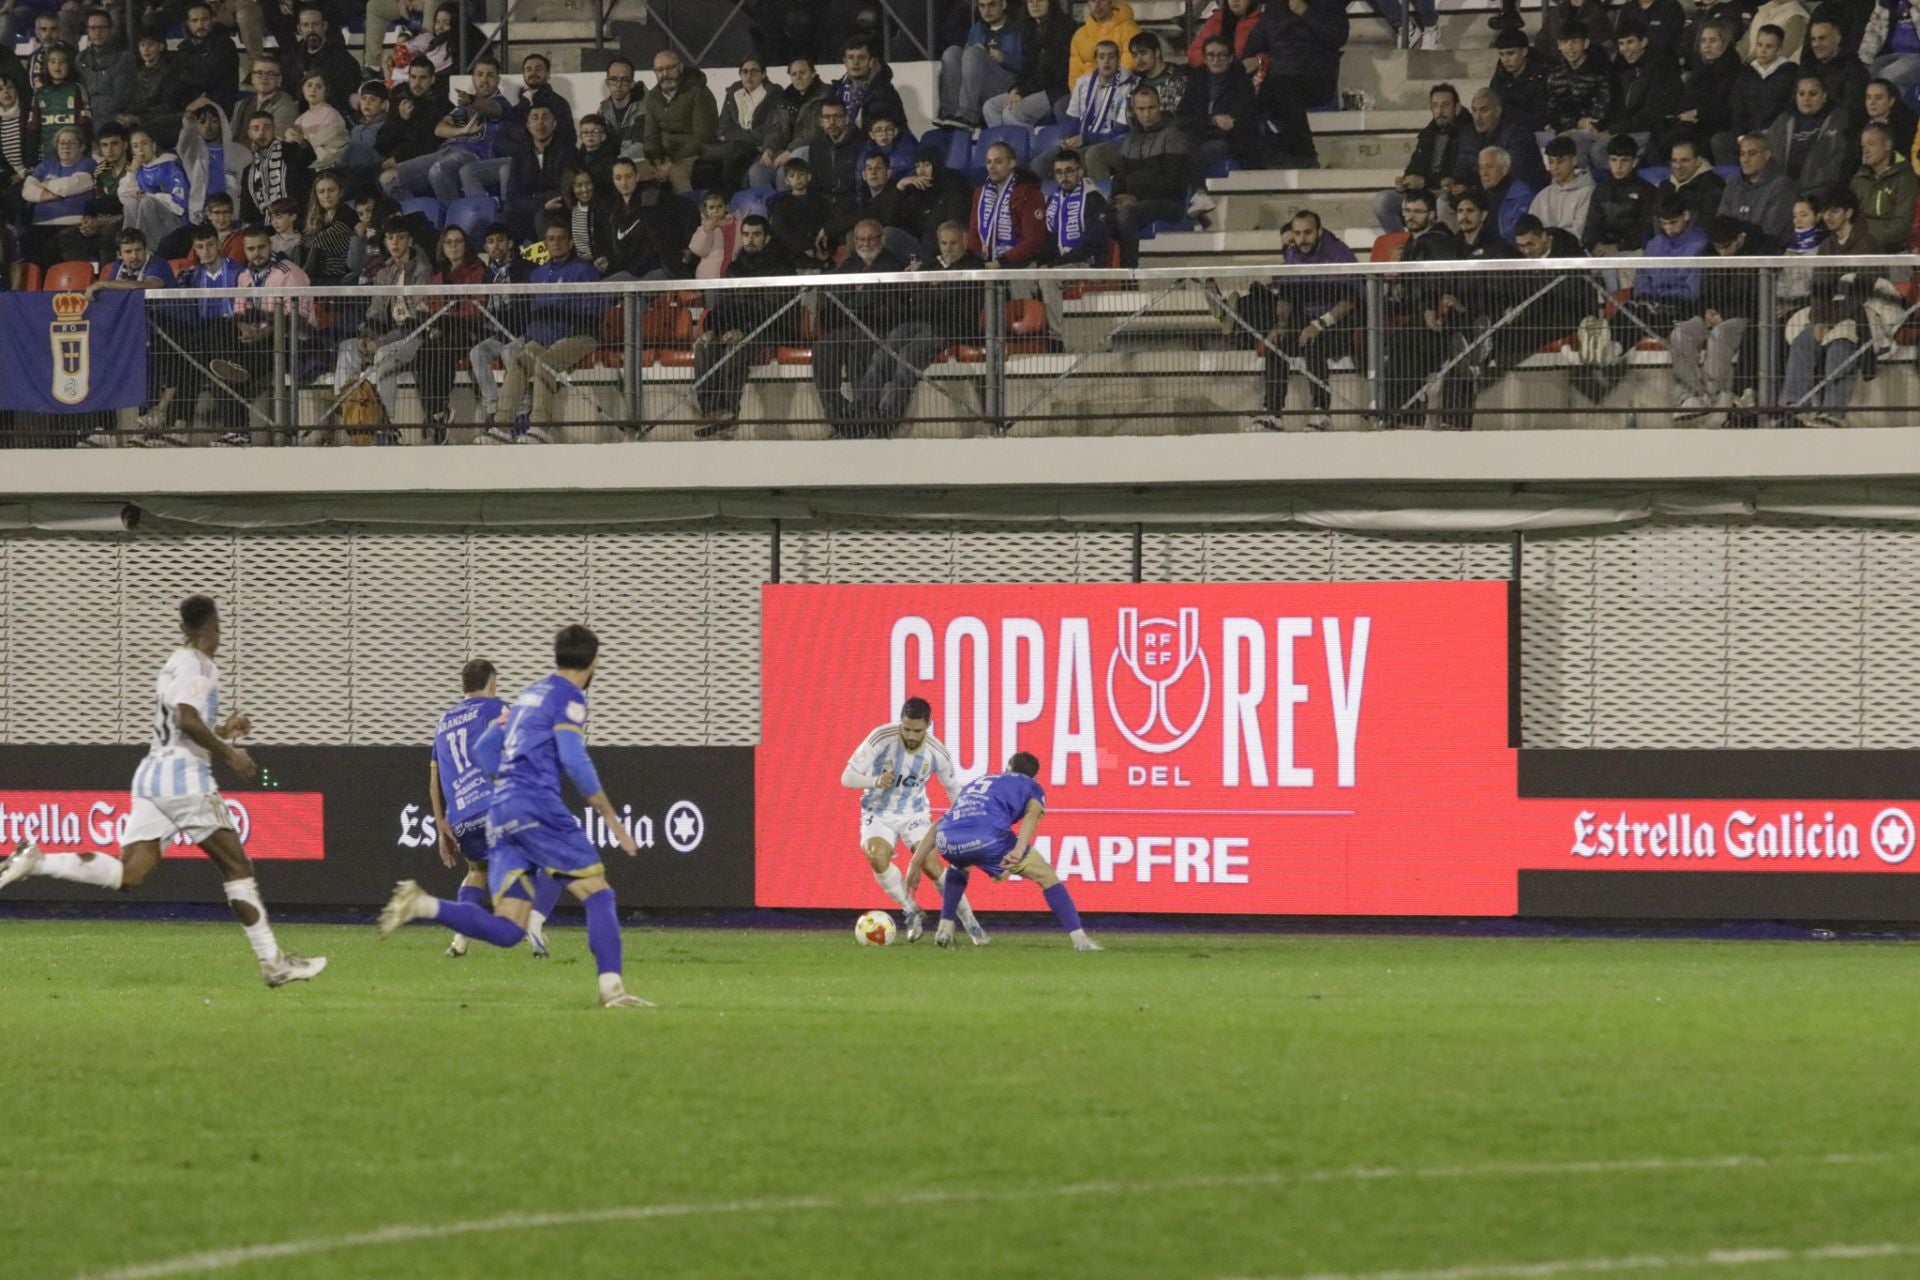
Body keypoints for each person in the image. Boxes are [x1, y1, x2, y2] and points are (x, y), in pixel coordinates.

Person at [0, 596, 326, 988]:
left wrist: (223, 730)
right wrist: (231, 754)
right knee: (237, 867)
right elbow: (186, 719)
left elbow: (181, 722)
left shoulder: (175, 661)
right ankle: (273, 963)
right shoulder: (199, 664)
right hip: (183, 779)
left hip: (152, 774)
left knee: (130, 874)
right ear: (214, 627)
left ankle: (39, 861)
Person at [380, 624, 653, 1010]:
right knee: (598, 893)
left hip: (500, 814)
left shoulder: (528, 697)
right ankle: (613, 992)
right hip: (535, 805)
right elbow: (574, 758)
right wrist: (610, 817)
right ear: (593, 662)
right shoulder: (568, 697)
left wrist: (506, 783)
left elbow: (485, 747)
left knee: (509, 929)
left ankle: (422, 905)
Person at [426, 659, 563, 958]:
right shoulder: (496, 708)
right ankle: (533, 922)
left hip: (461, 816)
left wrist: (440, 823)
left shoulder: (444, 721)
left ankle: (459, 941)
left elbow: (434, 777)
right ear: (493, 683)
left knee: (477, 870)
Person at [906, 751, 1100, 951]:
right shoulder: (1031, 785)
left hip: (947, 840)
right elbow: (1032, 815)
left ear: (1007, 768)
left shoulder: (978, 782)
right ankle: (1081, 941)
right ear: (1034, 776)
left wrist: (914, 863)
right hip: (987, 839)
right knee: (1047, 876)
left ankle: (945, 927)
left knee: (959, 863)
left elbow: (940, 823)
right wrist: (1019, 849)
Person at [839, 697, 985, 942]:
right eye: (906, 729)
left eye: (917, 731)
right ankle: (911, 910)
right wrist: (874, 781)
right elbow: (847, 777)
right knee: (876, 855)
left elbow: (952, 789)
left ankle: (971, 923)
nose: (911, 736)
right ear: (900, 723)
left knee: (931, 864)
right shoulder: (881, 737)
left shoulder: (937, 752)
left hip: (914, 814)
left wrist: (967, 820)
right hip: (877, 813)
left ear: (928, 725)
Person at [853, 220, 987, 433]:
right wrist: (934, 294)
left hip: (954, 327)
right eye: (944, 243)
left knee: (908, 356)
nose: (948, 249)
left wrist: (931, 294)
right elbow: (916, 298)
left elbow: (944, 296)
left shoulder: (975, 266)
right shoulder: (931, 265)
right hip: (922, 321)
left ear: (965, 241)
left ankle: (888, 416)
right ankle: (861, 412)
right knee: (884, 352)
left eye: (953, 243)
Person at [1240, 207, 1357, 432]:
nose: (1302, 239)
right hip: (1304, 320)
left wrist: (1319, 324)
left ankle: (1321, 413)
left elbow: (1349, 301)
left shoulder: (1339, 253)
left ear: (1319, 231)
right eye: (1297, 233)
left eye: (1308, 232)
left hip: (1338, 323)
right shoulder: (1292, 254)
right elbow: (1286, 297)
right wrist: (1281, 325)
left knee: (1313, 342)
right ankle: (1273, 414)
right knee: (1276, 344)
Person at [494, 223, 600, 444]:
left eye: (561, 238)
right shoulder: (538, 274)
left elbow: (593, 311)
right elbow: (534, 311)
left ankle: (540, 428)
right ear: (545, 243)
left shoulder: (585, 271)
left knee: (545, 363)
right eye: (551, 239)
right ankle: (501, 427)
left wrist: (562, 315)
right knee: (518, 362)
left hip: (579, 336)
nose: (556, 243)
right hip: (543, 337)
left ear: (570, 242)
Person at [1782, 187, 1877, 426]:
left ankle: (1834, 412)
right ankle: (1794, 406)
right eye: (1826, 212)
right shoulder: (1827, 245)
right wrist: (1818, 320)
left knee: (1840, 343)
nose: (1828, 217)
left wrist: (1831, 321)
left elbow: (1862, 291)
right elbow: (1819, 288)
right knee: (1803, 341)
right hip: (1830, 314)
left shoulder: (1866, 243)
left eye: (1835, 211)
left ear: (1849, 213)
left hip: (1860, 314)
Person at [690, 213, 792, 427]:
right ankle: (711, 412)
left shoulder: (782, 267)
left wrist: (744, 330)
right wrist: (712, 329)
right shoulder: (735, 268)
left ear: (767, 237)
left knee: (735, 349)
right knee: (705, 348)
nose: (750, 240)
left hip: (771, 330)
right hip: (738, 328)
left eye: (756, 235)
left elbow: (772, 310)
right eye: (745, 234)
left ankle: (729, 413)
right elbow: (723, 305)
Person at [333, 214, 432, 424]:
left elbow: (418, 319)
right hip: (386, 337)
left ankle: (386, 424)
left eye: (400, 237)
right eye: (390, 238)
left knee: (383, 354)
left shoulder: (422, 270)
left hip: (415, 337)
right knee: (348, 347)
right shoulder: (384, 273)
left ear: (410, 241)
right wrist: (367, 336)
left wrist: (381, 341)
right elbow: (375, 312)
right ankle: (346, 407)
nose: (395, 243)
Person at [814, 218, 905, 435]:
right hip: (845, 328)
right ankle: (837, 414)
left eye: (871, 238)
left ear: (882, 239)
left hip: (879, 329)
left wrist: (853, 300)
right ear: (854, 241)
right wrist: (861, 300)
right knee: (822, 348)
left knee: (859, 350)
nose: (866, 244)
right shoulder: (848, 265)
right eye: (861, 239)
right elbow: (832, 304)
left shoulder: (892, 265)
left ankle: (865, 418)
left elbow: (887, 307)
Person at [1670, 214, 1762, 425]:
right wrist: (1706, 312)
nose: (1722, 252)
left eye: (1727, 246)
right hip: (1713, 315)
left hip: (1742, 318)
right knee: (1681, 333)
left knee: (1720, 334)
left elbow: (1755, 298)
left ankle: (1710, 396)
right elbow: (1702, 293)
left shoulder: (1756, 255)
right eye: (1718, 247)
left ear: (1740, 238)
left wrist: (1725, 316)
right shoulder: (1708, 254)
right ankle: (1689, 396)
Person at [1380, 187, 1461, 428]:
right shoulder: (1410, 243)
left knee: (1405, 349)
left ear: (1432, 215)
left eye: (1418, 211)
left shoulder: (1439, 242)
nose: (1410, 216)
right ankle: (1398, 412)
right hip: (1417, 313)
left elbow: (1440, 281)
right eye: (1407, 211)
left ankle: (1403, 415)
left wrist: (1427, 306)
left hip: (1440, 319)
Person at [1245, 0, 1347, 166]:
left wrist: (1306, 12)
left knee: (1282, 89)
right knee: (1245, 93)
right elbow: (1254, 43)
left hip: (1316, 76)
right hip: (1278, 76)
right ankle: (1265, 157)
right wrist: (1254, 60)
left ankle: (1306, 154)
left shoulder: (1329, 4)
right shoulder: (1275, 7)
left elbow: (1338, 36)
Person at [1110, 85, 1189, 266]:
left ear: (1159, 106)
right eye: (1141, 109)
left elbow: (1173, 182)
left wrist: (1136, 198)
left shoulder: (1173, 135)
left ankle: (1130, 273)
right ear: (1134, 110)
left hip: (1168, 203)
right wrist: (1116, 199)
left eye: (1151, 108)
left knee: (1126, 215)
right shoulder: (1130, 139)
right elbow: (1119, 178)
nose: (1147, 114)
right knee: (1101, 215)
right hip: (1137, 201)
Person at [1036, 39, 1136, 179]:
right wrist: (1067, 140)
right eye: (1101, 57)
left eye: (1111, 57)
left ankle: (1098, 192)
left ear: (1118, 60)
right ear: (1095, 61)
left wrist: (1086, 139)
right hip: (1084, 139)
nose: (1106, 61)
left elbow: (1120, 131)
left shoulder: (1128, 87)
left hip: (1111, 142)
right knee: (1040, 164)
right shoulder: (1083, 82)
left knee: (1078, 160)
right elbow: (1073, 119)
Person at [1179, 34, 1259, 206]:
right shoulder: (1196, 79)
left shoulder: (1241, 82)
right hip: (1199, 133)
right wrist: (1212, 120)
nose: (1216, 60)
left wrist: (1211, 123)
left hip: (1229, 139)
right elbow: (1182, 116)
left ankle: (1199, 194)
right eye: (1211, 55)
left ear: (1231, 58)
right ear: (1204, 58)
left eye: (1221, 55)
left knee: (1197, 150)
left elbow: (1239, 120)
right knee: (1181, 144)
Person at [1592, 20, 1682, 170]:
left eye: (1630, 42)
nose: (1625, 49)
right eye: (1621, 43)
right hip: (1626, 128)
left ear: (1643, 42)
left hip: (1651, 130)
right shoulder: (1621, 68)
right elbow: (1615, 106)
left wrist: (1613, 131)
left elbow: (1652, 113)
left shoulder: (1662, 67)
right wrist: (1601, 127)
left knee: (1598, 151)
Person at [1377, 84, 1463, 235]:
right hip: (1423, 192)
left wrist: (1425, 182)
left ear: (1456, 107)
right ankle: (1404, 244)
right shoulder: (1428, 133)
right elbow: (1414, 165)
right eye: (1435, 106)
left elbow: (1459, 173)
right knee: (1383, 201)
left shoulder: (1466, 133)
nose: (1440, 111)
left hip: (1446, 193)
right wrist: (1405, 181)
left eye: (1445, 105)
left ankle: (1445, 245)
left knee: (1442, 203)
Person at [935, 0, 1028, 130]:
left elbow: (1030, 66)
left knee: (973, 53)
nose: (986, 10)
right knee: (952, 52)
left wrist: (1004, 58)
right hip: (978, 87)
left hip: (1009, 86)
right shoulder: (977, 29)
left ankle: (967, 115)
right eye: (982, 6)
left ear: (1003, 4)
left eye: (992, 5)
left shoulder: (1018, 29)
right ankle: (950, 113)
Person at [1766, 73, 1859, 196]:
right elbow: (1767, 155)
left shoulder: (1840, 121)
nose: (1806, 99)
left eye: (1813, 94)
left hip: (1822, 194)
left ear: (1824, 96)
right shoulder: (1783, 121)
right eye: (1801, 94)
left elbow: (1840, 162)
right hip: (1780, 193)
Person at [987, 0, 1073, 129]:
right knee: (991, 107)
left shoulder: (1063, 28)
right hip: (1033, 87)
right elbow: (1027, 67)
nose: (1034, 4)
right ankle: (1003, 141)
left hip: (1055, 90)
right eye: (1030, 1)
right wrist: (1016, 89)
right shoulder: (1029, 28)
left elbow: (1050, 73)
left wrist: (1022, 92)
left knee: (1012, 112)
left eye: (1040, 0)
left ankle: (1027, 142)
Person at [641, 49, 715, 195]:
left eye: (670, 68)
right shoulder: (653, 97)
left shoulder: (698, 92)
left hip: (693, 152)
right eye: (659, 70)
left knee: (676, 173)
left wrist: (671, 162)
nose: (665, 74)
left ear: (680, 67)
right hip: (664, 155)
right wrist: (656, 161)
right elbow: (650, 136)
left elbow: (703, 135)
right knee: (635, 172)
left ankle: (690, 208)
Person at [752, 56, 830, 190]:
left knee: (786, 172)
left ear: (813, 73)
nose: (798, 77)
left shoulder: (824, 95)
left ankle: (787, 201)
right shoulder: (785, 98)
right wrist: (769, 148)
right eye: (794, 74)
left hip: (812, 148)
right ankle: (767, 203)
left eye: (802, 73)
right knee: (758, 171)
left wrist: (790, 151)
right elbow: (778, 128)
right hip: (786, 149)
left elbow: (815, 130)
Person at [705, 56, 781, 192]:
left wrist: (736, 136)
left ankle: (732, 198)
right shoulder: (734, 93)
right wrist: (739, 137)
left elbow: (766, 131)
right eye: (744, 71)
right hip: (734, 146)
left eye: (754, 71)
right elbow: (723, 129)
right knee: (705, 164)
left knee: (735, 158)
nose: (749, 76)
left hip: (758, 147)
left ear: (763, 74)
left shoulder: (773, 95)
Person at [967, 137, 1045, 267]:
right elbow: (974, 234)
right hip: (987, 262)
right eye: (988, 162)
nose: (992, 167)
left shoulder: (1030, 194)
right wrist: (981, 262)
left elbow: (1033, 241)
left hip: (1020, 264)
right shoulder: (980, 194)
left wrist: (1001, 262)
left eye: (998, 161)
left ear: (1011, 163)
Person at [22, 125, 94, 265]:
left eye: (71, 143)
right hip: (40, 223)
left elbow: (68, 186)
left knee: (54, 245)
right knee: (25, 241)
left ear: (81, 147)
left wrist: (43, 184)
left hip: (72, 222)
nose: (65, 146)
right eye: (62, 143)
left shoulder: (88, 164)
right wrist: (54, 195)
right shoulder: (46, 165)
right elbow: (27, 191)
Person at [502, 103, 574, 241]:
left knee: (542, 217)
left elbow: (565, 190)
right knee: (506, 217)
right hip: (531, 210)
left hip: (559, 210)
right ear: (528, 126)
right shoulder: (520, 156)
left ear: (554, 124)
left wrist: (536, 198)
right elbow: (513, 196)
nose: (540, 122)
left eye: (545, 117)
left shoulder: (567, 153)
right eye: (535, 118)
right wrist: (540, 204)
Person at [1582, 133, 1658, 252]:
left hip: (1633, 250)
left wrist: (1618, 247)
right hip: (1601, 250)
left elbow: (1646, 231)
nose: (1618, 166)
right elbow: (1591, 226)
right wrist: (1594, 245)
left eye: (1624, 160)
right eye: (1614, 160)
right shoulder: (1600, 190)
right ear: (1608, 161)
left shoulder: (1647, 191)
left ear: (1634, 161)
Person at [1848, 120, 1917, 248]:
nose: (1865, 151)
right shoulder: (1858, 179)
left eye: (1871, 144)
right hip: (1861, 249)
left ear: (1887, 145)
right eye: (1863, 146)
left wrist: (1862, 237)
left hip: (1895, 252)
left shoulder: (1906, 179)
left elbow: (1903, 226)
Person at [1718, 130, 1797, 238]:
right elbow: (1721, 225)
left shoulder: (1782, 185)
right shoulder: (1733, 183)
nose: (1745, 160)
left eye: (1752, 153)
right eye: (1742, 154)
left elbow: (1771, 231)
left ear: (1766, 155)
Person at [1730, 24, 1800, 141]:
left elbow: (1789, 108)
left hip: (1777, 135)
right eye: (1759, 45)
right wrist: (1741, 135)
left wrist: (1772, 131)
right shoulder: (1746, 72)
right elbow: (1738, 106)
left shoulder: (1790, 73)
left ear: (1779, 49)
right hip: (1748, 134)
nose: (1763, 50)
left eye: (1769, 46)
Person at [1544, 22, 1613, 139]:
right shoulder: (1554, 74)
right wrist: (1577, 122)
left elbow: (1598, 117)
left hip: (1593, 134)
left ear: (1585, 43)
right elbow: (1550, 113)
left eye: (1575, 42)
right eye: (1564, 42)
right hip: (1561, 132)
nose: (1569, 47)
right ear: (1559, 45)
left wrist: (1566, 124)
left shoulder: (1600, 73)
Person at [830, 36, 907, 135]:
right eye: (850, 57)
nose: (855, 63)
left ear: (871, 62)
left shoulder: (884, 92)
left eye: (861, 58)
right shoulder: (835, 90)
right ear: (844, 61)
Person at [75, 7, 131, 134]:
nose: (97, 32)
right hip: (86, 117)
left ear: (110, 29)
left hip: (112, 118)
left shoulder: (124, 58)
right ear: (87, 31)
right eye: (93, 28)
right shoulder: (80, 58)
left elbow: (123, 98)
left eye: (102, 27)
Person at [174, 2, 238, 108]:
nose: (200, 25)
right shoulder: (184, 48)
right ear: (188, 23)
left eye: (204, 19)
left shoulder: (225, 45)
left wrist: (185, 75)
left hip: (216, 106)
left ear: (212, 20)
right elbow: (175, 81)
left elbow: (209, 80)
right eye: (194, 21)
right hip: (187, 105)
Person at [1530, 134, 1596, 235]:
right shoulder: (1543, 196)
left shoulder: (1589, 192)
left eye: (1560, 162)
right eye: (1551, 162)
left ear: (1574, 160)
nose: (1554, 167)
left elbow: (1580, 232)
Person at [1071, 0, 1142, 83]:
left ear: (1111, 2)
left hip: (1119, 87)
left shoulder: (1130, 30)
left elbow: (1128, 67)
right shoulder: (1080, 34)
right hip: (1086, 88)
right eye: (1092, 0)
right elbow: (1075, 72)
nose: (1097, 5)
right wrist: (1079, 90)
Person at [1663, 136, 1728, 224]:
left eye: (1684, 160)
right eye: (1674, 161)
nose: (1678, 166)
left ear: (1698, 161)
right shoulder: (1665, 186)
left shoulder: (1713, 185)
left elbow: (1708, 223)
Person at [232, 58, 296, 144]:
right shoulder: (241, 104)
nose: (264, 78)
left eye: (271, 74)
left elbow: (272, 141)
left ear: (279, 80)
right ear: (252, 78)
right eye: (259, 73)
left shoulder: (286, 106)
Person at [293, 70, 344, 170]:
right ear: (303, 88)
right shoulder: (300, 119)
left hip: (326, 167)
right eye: (309, 85)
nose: (313, 89)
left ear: (326, 90)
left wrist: (303, 141)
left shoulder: (331, 114)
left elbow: (330, 145)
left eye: (319, 86)